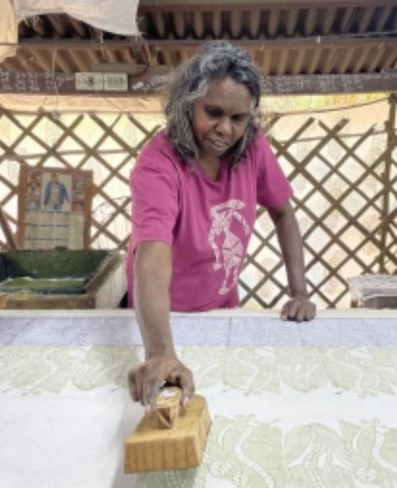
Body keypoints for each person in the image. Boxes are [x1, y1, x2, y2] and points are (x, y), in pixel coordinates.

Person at [126, 40, 316, 414]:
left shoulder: (253, 149)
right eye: (213, 112)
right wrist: (162, 352)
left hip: (223, 311)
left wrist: (300, 292)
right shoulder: (158, 163)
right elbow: (152, 251)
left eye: (238, 118)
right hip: (163, 320)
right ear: (187, 104)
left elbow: (283, 213)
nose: (225, 130)